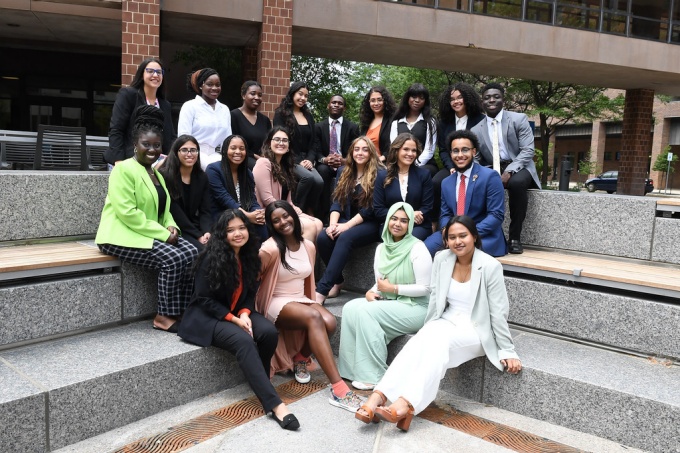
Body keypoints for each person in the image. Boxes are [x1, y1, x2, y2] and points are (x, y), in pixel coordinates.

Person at [356, 215, 522, 431]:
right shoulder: (442, 259)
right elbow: (435, 300)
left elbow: (499, 312)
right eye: (452, 237)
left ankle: (405, 404)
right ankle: (379, 396)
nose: (457, 241)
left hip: (475, 329)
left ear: (474, 236)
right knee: (420, 340)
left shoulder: (490, 266)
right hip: (446, 320)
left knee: (438, 343)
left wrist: (507, 350)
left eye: (463, 236)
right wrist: (427, 326)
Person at [178, 210, 299, 431]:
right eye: (230, 230)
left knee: (269, 332)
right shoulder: (209, 258)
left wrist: (244, 312)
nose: (237, 234)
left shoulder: (249, 255)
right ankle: (276, 405)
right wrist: (234, 319)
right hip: (209, 316)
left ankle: (263, 385)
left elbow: (251, 290)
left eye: (241, 228)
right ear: (221, 233)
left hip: (237, 311)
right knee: (244, 341)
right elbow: (203, 298)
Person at [96, 105, 198, 333]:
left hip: (146, 231)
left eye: (156, 145)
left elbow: (165, 208)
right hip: (119, 234)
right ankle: (163, 316)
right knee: (172, 258)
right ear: (135, 145)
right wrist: (163, 234)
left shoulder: (155, 173)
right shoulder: (123, 170)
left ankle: (183, 309)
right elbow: (127, 213)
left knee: (192, 252)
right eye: (146, 144)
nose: (152, 149)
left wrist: (171, 226)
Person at [256, 201, 364, 412]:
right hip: (275, 300)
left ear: (294, 217)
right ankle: (339, 389)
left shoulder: (308, 246)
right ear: (271, 225)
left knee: (330, 321)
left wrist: (312, 302)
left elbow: (308, 280)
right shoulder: (269, 248)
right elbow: (254, 281)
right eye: (276, 220)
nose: (283, 222)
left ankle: (300, 357)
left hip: (299, 298)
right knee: (315, 318)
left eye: (285, 216)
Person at [338, 202, 432, 391]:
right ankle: (350, 369)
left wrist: (394, 289)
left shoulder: (418, 248)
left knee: (367, 312)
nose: (398, 224)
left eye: (404, 221)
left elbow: (426, 288)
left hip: (418, 308)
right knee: (350, 308)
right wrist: (371, 291)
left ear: (410, 225)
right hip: (392, 302)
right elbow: (380, 282)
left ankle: (374, 376)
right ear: (388, 220)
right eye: (394, 218)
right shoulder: (381, 248)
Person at [470, 82, 541, 254]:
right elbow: (477, 158)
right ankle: (481, 235)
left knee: (516, 184)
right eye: (487, 98)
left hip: (520, 165)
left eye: (496, 96)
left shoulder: (518, 119)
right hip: (491, 167)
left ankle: (515, 237)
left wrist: (509, 171)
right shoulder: (476, 129)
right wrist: (483, 173)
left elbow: (528, 150)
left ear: (503, 100)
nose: (491, 100)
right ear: (482, 102)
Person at [315, 137, 385, 304]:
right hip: (346, 220)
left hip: (370, 223)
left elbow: (370, 209)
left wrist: (345, 226)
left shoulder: (379, 173)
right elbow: (337, 202)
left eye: (365, 149)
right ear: (351, 152)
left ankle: (321, 291)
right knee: (324, 237)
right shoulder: (343, 171)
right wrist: (333, 225)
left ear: (371, 153)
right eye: (356, 149)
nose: (360, 153)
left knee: (345, 236)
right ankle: (338, 281)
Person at [424, 130, 506, 257]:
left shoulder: (490, 176)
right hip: (452, 233)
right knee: (422, 252)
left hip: (481, 235)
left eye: (465, 150)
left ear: (474, 152)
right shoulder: (446, 182)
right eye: (455, 151)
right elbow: (445, 214)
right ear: (451, 154)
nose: (460, 155)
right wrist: (447, 231)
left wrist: (466, 233)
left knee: (456, 255)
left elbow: (496, 215)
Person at [253, 127, 323, 243]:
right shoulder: (263, 163)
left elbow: (289, 202)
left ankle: (302, 259)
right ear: (269, 143)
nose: (281, 143)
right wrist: (292, 215)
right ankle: (298, 260)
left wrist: (302, 214)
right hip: (268, 214)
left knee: (318, 223)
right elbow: (268, 201)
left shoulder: (285, 167)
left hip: (283, 212)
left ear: (289, 146)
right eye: (277, 139)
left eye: (285, 140)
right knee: (310, 226)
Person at [432, 83, 486, 222]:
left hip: (475, 165)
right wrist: (451, 167)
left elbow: (482, 148)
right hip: (453, 165)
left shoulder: (480, 120)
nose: (456, 102)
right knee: (437, 182)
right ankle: (437, 222)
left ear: (467, 98)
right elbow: (443, 150)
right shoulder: (444, 123)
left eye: (460, 97)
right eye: (452, 99)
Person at [106, 58, 176, 165]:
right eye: (150, 71)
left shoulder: (165, 104)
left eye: (159, 72)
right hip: (129, 157)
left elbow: (170, 136)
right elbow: (116, 129)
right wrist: (118, 161)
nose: (155, 75)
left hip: (158, 158)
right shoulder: (128, 95)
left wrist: (172, 159)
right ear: (141, 74)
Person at [273, 82, 324, 215]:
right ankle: (295, 209)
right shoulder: (281, 114)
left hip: (305, 159)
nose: (303, 98)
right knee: (307, 178)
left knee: (319, 181)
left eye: (306, 96)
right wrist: (297, 160)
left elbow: (313, 143)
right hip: (288, 158)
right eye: (300, 94)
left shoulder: (308, 116)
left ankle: (309, 210)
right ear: (292, 93)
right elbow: (280, 140)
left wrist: (309, 159)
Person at [206, 135, 267, 241]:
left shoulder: (247, 173)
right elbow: (223, 198)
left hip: (244, 213)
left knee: (262, 225)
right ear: (225, 150)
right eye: (233, 148)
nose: (238, 152)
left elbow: (251, 199)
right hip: (222, 216)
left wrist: (258, 213)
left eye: (242, 148)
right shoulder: (213, 169)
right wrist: (246, 216)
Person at [373, 133, 434, 241]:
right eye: (406, 149)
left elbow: (427, 207)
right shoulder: (382, 176)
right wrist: (407, 216)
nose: (410, 154)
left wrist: (413, 218)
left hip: (418, 226)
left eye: (414, 150)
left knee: (407, 241)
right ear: (396, 150)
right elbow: (378, 209)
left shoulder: (424, 175)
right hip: (391, 225)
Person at [158, 135, 212, 251]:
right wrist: (198, 236)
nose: (189, 154)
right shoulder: (166, 176)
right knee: (203, 252)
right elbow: (175, 212)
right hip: (176, 226)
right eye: (184, 150)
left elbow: (205, 210)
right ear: (176, 152)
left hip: (194, 225)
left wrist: (206, 231)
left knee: (222, 248)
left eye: (193, 150)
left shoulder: (202, 177)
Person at [313, 94, 361, 222]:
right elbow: (316, 150)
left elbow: (356, 149)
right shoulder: (319, 127)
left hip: (345, 162)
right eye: (333, 102)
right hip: (325, 163)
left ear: (344, 108)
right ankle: (323, 215)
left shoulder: (352, 127)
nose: (336, 105)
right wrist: (324, 159)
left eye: (340, 103)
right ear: (328, 105)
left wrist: (345, 160)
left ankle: (342, 214)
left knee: (343, 170)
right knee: (322, 171)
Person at [178, 68, 232, 170]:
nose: (215, 88)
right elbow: (183, 137)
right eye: (210, 84)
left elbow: (227, 140)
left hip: (216, 155)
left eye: (218, 84)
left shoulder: (224, 109)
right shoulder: (190, 106)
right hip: (194, 155)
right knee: (213, 170)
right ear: (200, 85)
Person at [389, 83, 438, 177]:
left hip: (425, 164)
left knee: (418, 174)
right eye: (414, 96)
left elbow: (429, 149)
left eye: (421, 98)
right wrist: (403, 163)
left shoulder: (430, 122)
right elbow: (394, 146)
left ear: (425, 101)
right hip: (401, 163)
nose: (417, 100)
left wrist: (414, 164)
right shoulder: (396, 122)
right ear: (408, 98)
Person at [230, 81, 272, 170]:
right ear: (243, 95)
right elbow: (231, 142)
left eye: (260, 95)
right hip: (242, 158)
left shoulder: (265, 120)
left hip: (263, 159)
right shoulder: (233, 116)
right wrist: (254, 156)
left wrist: (265, 156)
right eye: (252, 94)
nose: (256, 97)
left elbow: (269, 143)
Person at [359, 86, 397, 161]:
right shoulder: (366, 122)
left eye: (379, 100)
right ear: (369, 102)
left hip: (383, 163)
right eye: (373, 100)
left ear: (385, 101)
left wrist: (383, 158)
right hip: (365, 162)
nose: (376, 103)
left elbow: (396, 144)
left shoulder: (393, 120)